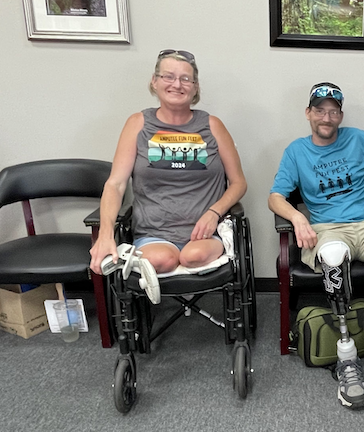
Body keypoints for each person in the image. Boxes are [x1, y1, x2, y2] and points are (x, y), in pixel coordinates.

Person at [269, 82, 364, 410]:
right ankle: (347, 357)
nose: (327, 117)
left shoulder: (359, 139)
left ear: (340, 114)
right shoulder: (296, 151)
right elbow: (275, 197)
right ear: (308, 114)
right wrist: (298, 219)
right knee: (334, 255)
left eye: (333, 111)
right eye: (320, 110)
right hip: (326, 228)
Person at [89, 49, 247, 276]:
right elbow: (115, 184)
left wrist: (214, 212)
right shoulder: (137, 123)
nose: (177, 84)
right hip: (153, 233)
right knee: (163, 260)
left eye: (186, 79)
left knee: (194, 256)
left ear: (195, 87)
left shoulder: (212, 125)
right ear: (154, 81)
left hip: (204, 233)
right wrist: (105, 235)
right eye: (168, 76)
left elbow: (239, 182)